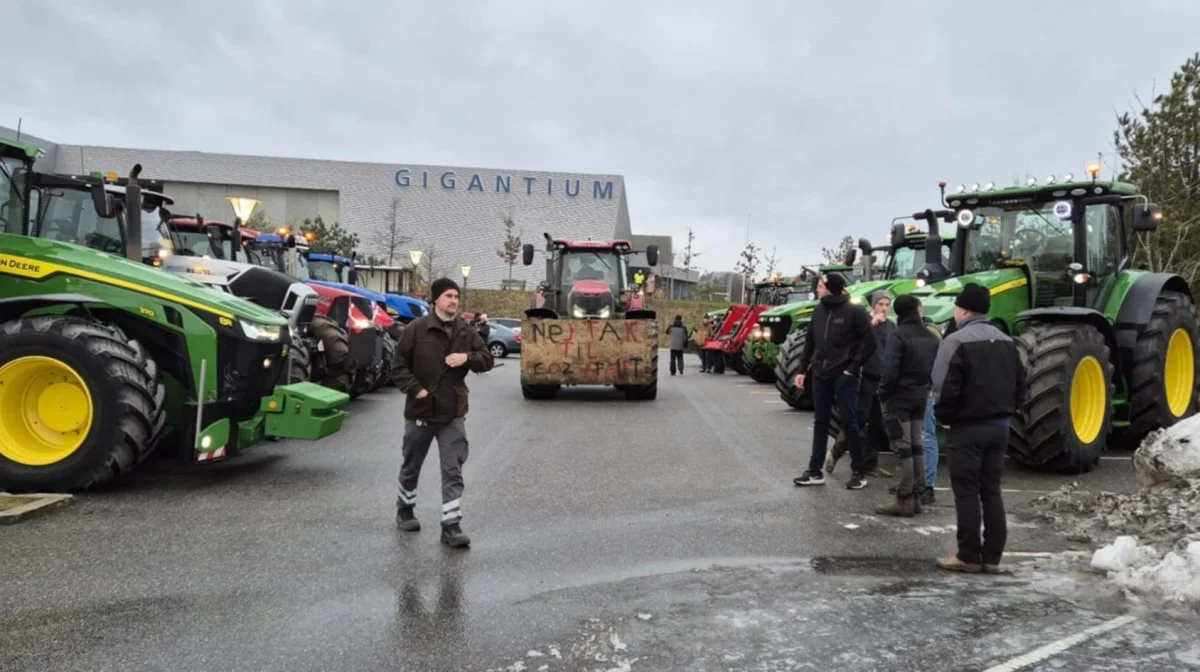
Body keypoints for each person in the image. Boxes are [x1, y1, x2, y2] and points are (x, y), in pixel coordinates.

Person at [390, 278, 495, 548]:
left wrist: (467, 358)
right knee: (411, 465)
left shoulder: (465, 331)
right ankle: (405, 509)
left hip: (452, 413)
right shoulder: (416, 329)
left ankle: (451, 526)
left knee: (453, 469)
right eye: (448, 296)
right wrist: (417, 391)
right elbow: (398, 366)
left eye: (456, 297)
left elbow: (487, 360)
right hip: (420, 412)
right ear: (436, 299)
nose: (453, 301)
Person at [930, 283, 1025, 573]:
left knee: (967, 491)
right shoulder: (1008, 342)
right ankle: (992, 557)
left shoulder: (956, 342)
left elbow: (942, 384)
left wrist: (944, 416)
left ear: (962, 310)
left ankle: (968, 555)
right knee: (991, 490)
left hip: (967, 427)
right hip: (1000, 427)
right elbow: (1021, 384)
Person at [792, 272, 876, 490]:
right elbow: (810, 342)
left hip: (844, 374)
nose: (817, 289)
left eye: (820, 285)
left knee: (849, 422)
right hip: (821, 373)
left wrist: (852, 367)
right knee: (820, 421)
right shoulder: (819, 311)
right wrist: (802, 370)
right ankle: (814, 471)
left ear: (830, 288)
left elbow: (870, 341)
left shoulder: (854, 312)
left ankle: (859, 472)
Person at [873, 294, 940, 517]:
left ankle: (903, 498)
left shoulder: (898, 335)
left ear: (899, 312)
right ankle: (917, 496)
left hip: (898, 399)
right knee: (917, 445)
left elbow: (889, 369)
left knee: (903, 448)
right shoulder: (930, 337)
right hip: (921, 396)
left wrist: (883, 394)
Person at [827, 291, 893, 478]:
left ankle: (870, 463)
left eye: (887, 304)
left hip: (882, 380)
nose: (884, 308)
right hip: (863, 377)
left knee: (878, 423)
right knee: (858, 418)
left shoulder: (891, 327)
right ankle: (835, 453)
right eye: (880, 304)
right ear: (873, 305)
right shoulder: (862, 321)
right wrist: (871, 324)